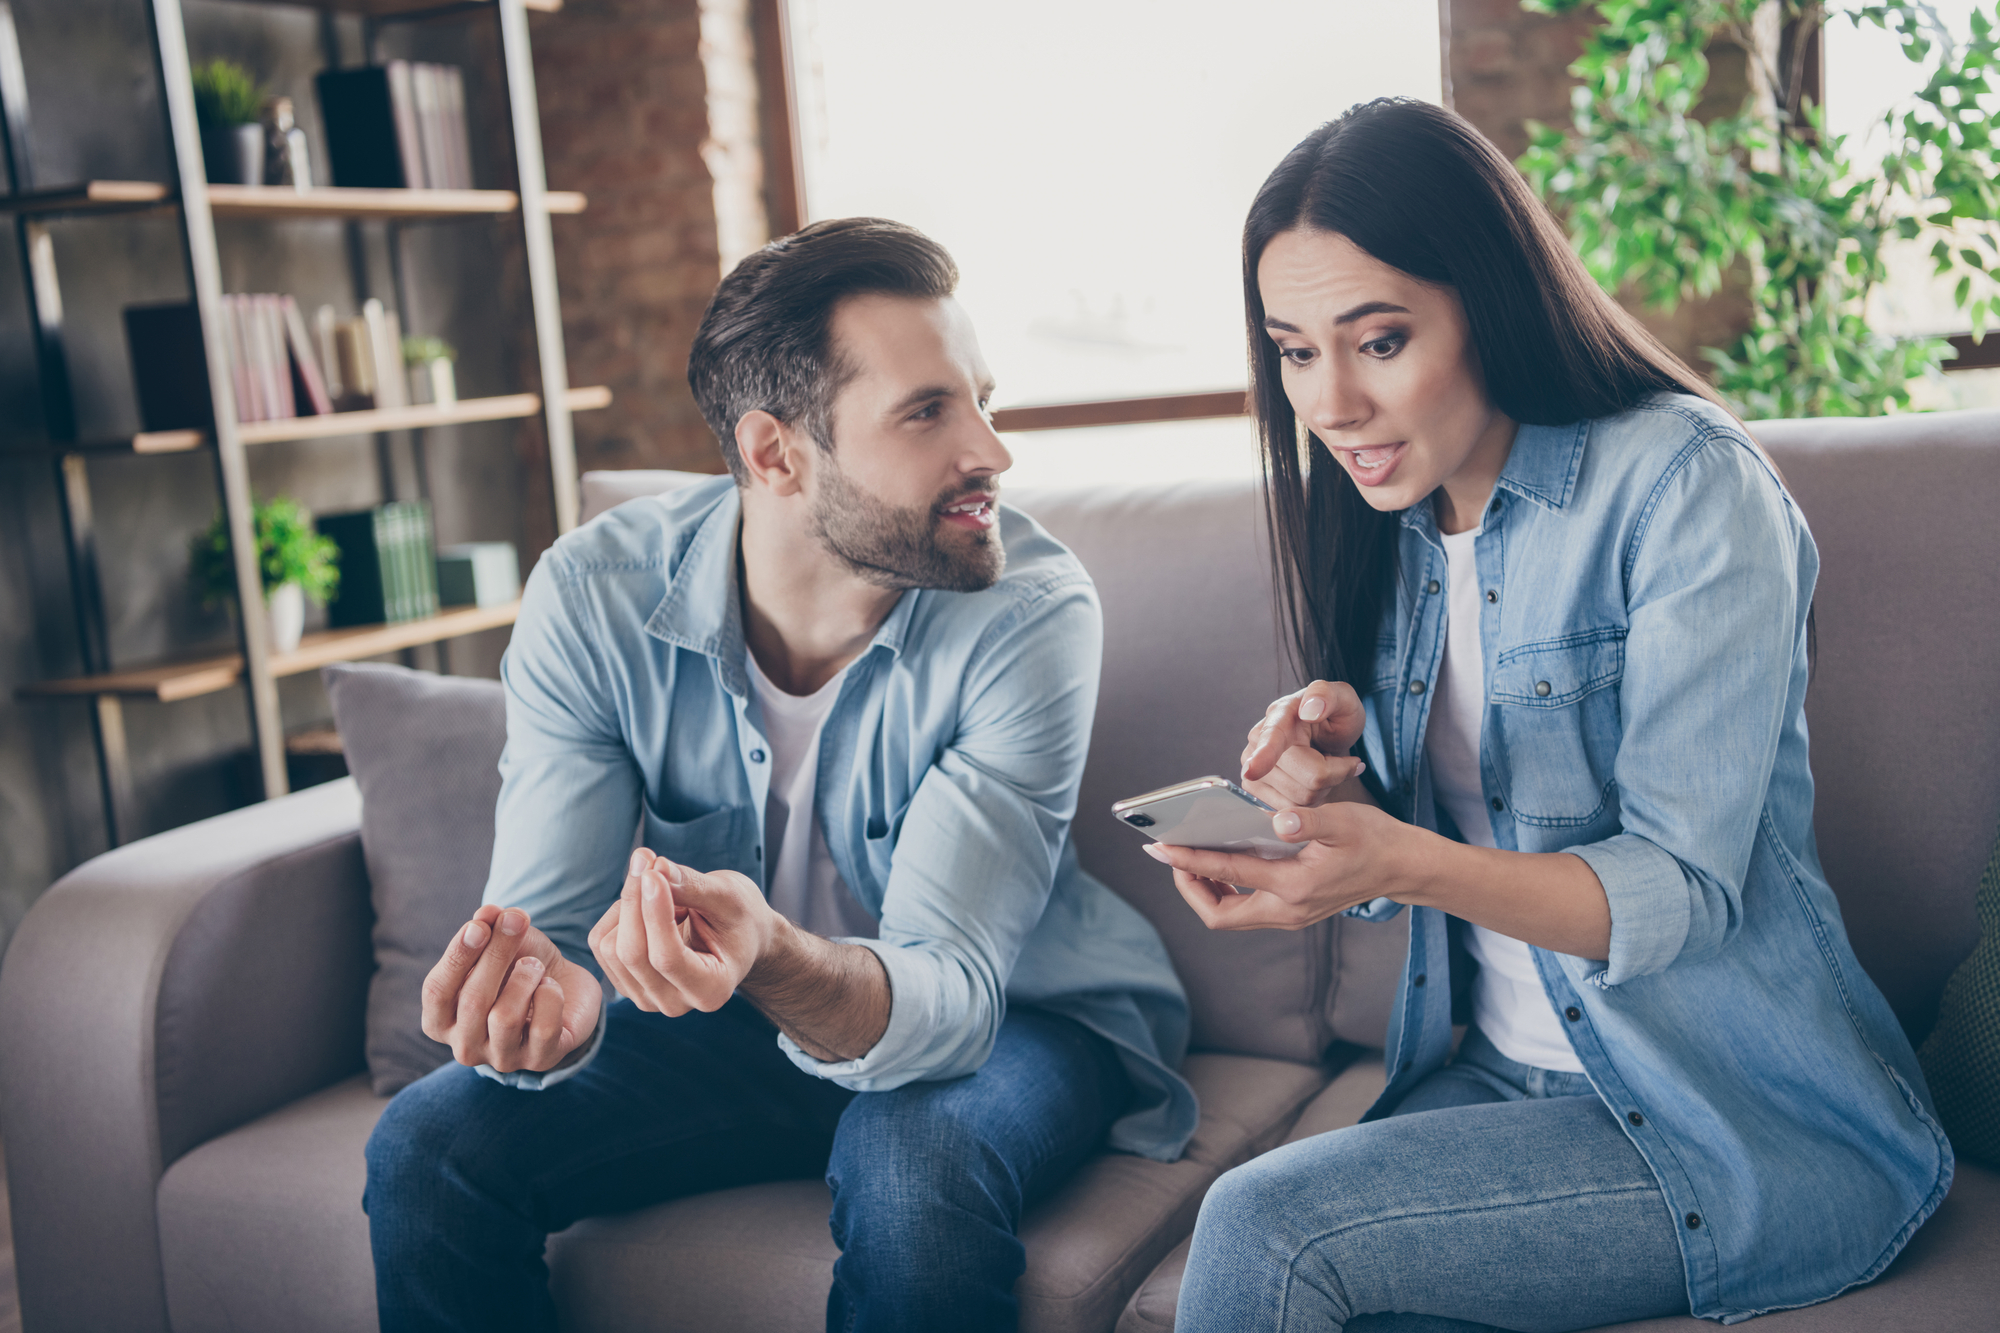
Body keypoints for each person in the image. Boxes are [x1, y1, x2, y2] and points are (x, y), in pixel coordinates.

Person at [1143, 99, 1952, 1332]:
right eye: (1294, 352)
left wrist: (1400, 861)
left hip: (1717, 1120)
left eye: (1378, 339)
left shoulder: (1683, 484)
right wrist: (1332, 799)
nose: (1332, 402)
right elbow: (1423, 854)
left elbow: (1679, 890)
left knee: (1262, 1226)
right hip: (1487, 1080)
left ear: (1490, 297)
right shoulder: (1395, 523)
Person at [363, 217, 1197, 1333]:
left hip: (1012, 1019)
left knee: (915, 1172)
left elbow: (948, 993)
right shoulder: (597, 594)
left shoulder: (1027, 610)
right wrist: (547, 1006)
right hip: (731, 1030)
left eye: (982, 399)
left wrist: (773, 952)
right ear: (773, 453)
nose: (992, 450)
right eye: (927, 411)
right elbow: (550, 924)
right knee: (428, 1142)